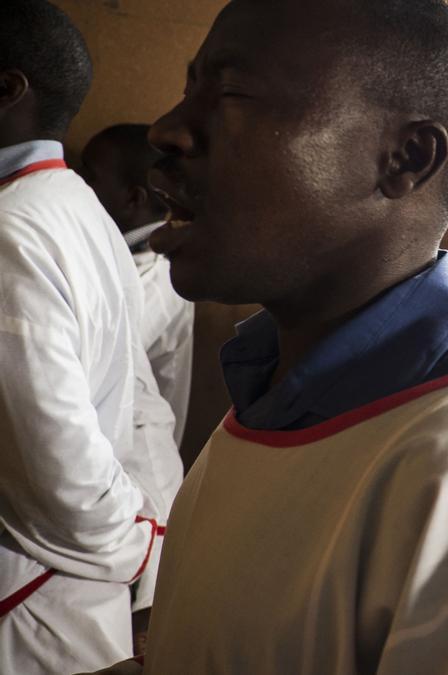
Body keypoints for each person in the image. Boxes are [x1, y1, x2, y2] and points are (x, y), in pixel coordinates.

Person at [88, 2, 448, 673]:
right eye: (189, 87)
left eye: (230, 93)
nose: (169, 131)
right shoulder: (270, 392)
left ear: (404, 158)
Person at [0, 2, 165, 672]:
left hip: (33, 608)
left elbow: (60, 466)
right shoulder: (73, 203)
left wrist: (137, 542)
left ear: (8, 88)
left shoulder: (14, 227)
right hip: (70, 590)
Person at [81, 123, 195, 447]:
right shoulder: (115, 242)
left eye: (88, 175)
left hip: (127, 452)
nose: (74, 180)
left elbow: (89, 360)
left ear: (133, 199)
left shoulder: (159, 280)